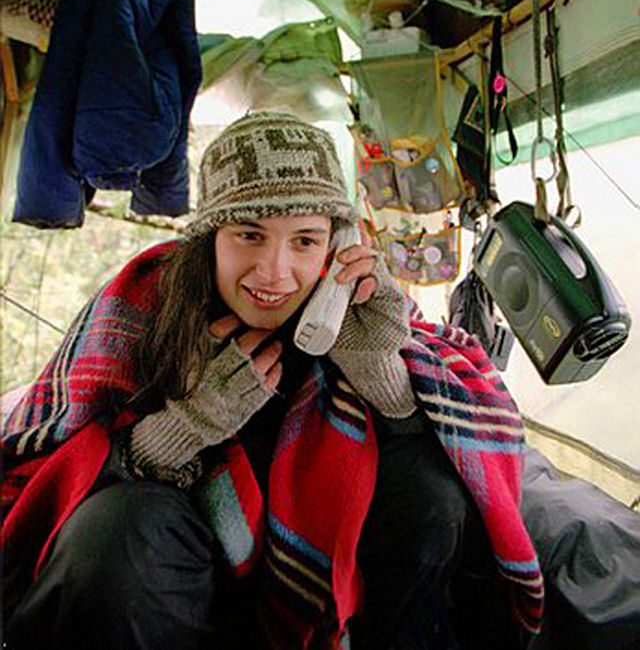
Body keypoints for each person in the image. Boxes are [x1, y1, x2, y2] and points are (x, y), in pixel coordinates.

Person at [2, 110, 543, 650]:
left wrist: (375, 368)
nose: (274, 273)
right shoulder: (145, 304)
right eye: (249, 234)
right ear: (211, 235)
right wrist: (186, 427)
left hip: (320, 584)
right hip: (178, 586)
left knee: (433, 489)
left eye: (304, 241)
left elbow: (444, 466)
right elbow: (48, 477)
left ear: (337, 243)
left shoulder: (366, 305)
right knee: (119, 528)